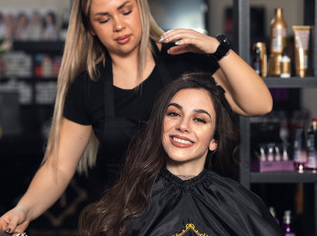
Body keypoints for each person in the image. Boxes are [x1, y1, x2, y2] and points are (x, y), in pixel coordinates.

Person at [0, 0, 273, 234]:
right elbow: (58, 167)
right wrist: (23, 210)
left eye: (125, 11)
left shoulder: (182, 59)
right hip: (126, 220)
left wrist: (216, 47)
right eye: (103, 19)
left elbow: (258, 105)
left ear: (141, 7)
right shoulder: (88, 85)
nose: (118, 25)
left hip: (196, 214)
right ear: (90, 28)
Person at [77, 72, 283, 236]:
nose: (183, 126)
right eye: (174, 114)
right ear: (160, 125)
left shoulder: (240, 204)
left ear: (214, 141)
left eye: (199, 119)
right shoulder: (128, 201)